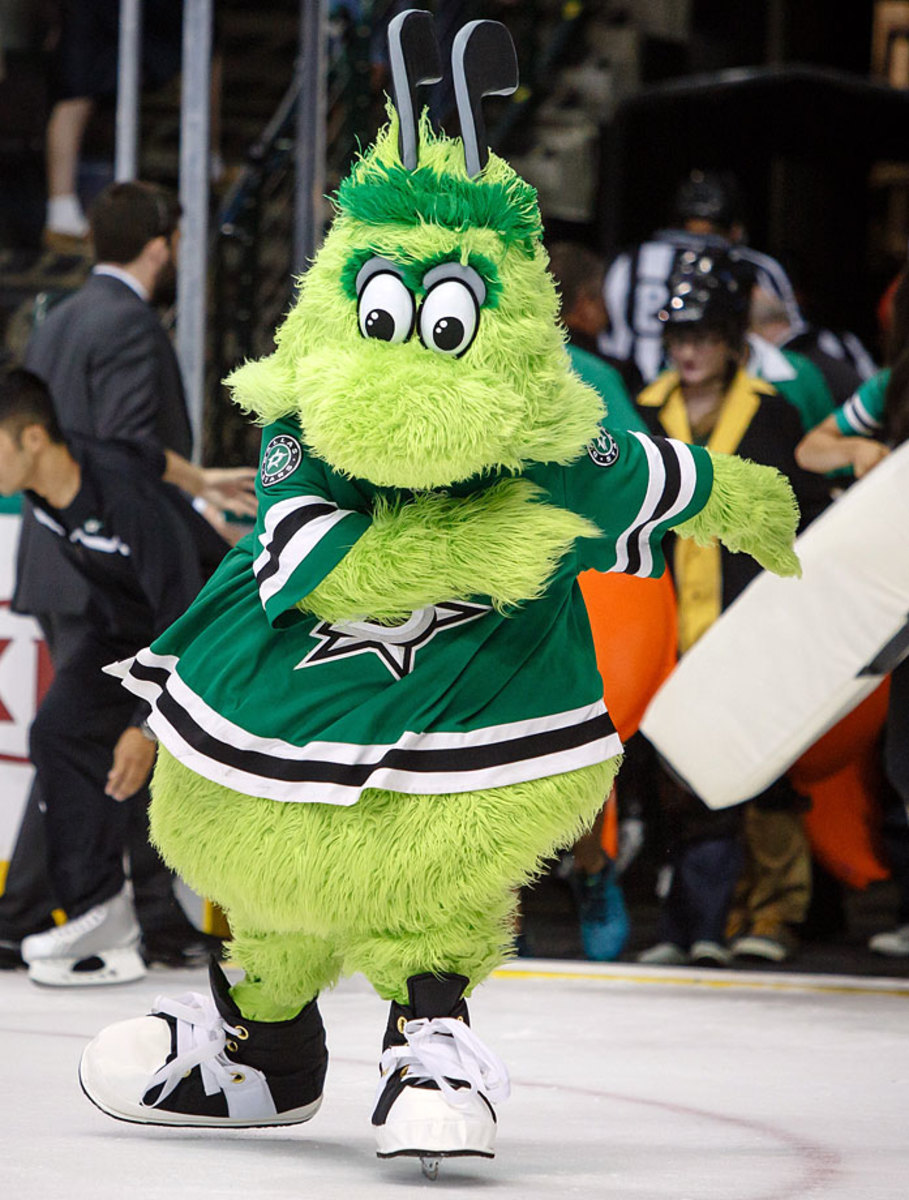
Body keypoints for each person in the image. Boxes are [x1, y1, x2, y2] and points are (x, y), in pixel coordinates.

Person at [0, 179, 255, 971]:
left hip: (68, 563)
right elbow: (125, 452)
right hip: (117, 570)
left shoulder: (58, 315)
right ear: (161, 246)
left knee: (101, 741)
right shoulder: (132, 326)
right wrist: (189, 509)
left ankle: (137, 918)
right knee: (106, 741)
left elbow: (116, 452)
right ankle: (44, 912)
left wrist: (197, 485)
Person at [633, 249, 830, 967]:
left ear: (730, 342)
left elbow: (807, 517)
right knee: (678, 775)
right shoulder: (642, 411)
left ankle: (771, 915)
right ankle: (692, 924)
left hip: (752, 619)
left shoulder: (771, 413)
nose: (688, 352)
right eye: (678, 337)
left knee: (765, 771)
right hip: (666, 621)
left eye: (704, 337)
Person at [0, 368, 211, 985]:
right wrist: (200, 480)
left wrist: (144, 726)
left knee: (158, 764)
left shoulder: (124, 497)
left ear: (32, 438)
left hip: (200, 629)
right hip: (122, 630)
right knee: (57, 731)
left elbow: (185, 612)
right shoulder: (54, 482)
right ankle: (97, 912)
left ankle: (172, 922)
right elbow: (148, 453)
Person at [795, 272, 909, 957]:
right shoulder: (891, 388)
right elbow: (812, 448)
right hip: (900, 596)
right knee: (903, 761)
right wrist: (860, 450)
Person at [601, 168, 802, 384]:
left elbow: (606, 335)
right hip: (722, 396)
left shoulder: (628, 262)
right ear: (735, 229)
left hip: (627, 392)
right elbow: (789, 339)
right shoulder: (756, 268)